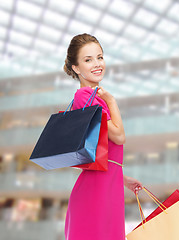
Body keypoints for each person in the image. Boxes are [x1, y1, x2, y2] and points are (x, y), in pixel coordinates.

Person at [63, 33, 143, 240]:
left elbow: (99, 153)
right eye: (88, 60)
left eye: (100, 57)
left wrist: (122, 178)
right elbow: (119, 136)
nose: (97, 64)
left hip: (107, 186)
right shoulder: (85, 97)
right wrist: (112, 101)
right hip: (96, 193)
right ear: (76, 68)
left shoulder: (94, 98)